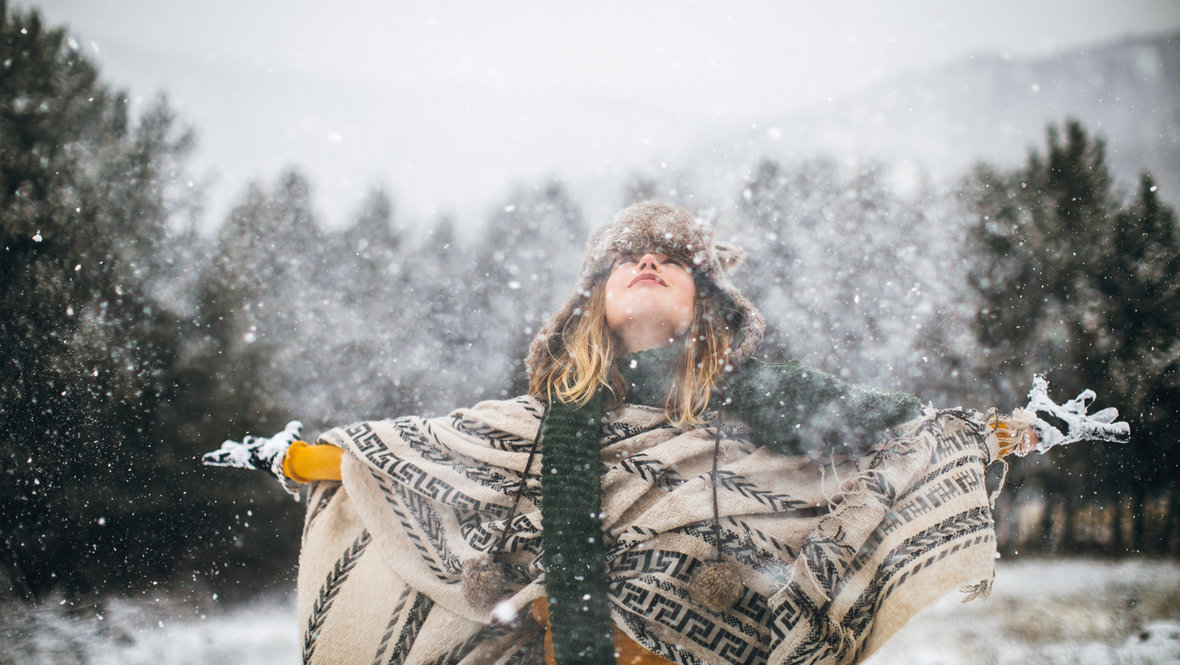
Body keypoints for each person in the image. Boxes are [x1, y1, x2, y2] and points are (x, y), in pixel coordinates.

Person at [204, 201, 1129, 665]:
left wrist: (1001, 432)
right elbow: (437, 456)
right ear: (594, 301)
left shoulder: (761, 400)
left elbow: (871, 431)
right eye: (625, 258)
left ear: (705, 299)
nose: (648, 261)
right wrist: (302, 455)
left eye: (671, 257)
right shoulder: (548, 425)